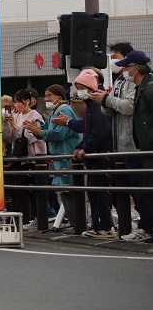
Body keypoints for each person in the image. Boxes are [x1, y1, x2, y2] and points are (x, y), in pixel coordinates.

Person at [94, 43, 153, 241]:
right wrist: (104, 101)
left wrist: (107, 100)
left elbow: (128, 107)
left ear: (134, 65)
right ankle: (140, 226)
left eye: (117, 57)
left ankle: (147, 227)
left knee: (141, 188)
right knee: (131, 189)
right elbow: (113, 108)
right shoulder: (120, 80)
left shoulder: (142, 85)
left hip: (135, 144)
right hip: (122, 142)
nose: (114, 61)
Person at [53, 69, 116, 238]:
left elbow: (100, 132)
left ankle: (105, 227)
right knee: (95, 193)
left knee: (99, 193)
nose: (79, 91)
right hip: (95, 154)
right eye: (77, 87)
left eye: (82, 86)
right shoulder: (90, 105)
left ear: (91, 87)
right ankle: (99, 226)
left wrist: (85, 148)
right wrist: (80, 146)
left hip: (101, 155)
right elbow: (88, 129)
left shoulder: (98, 104)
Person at [24, 84, 81, 227]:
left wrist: (39, 132)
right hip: (60, 157)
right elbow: (45, 129)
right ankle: (75, 224)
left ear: (59, 97)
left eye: (50, 95)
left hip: (67, 155)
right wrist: (36, 129)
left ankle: (78, 224)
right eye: (46, 95)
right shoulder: (54, 112)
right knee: (64, 191)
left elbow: (59, 134)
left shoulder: (65, 110)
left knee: (69, 191)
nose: (47, 98)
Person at [114, 49, 153, 244]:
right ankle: (148, 227)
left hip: (146, 149)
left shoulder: (149, 88)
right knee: (143, 190)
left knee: (145, 190)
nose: (123, 71)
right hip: (142, 147)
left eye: (126, 67)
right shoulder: (141, 88)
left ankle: (148, 227)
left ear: (136, 69)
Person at [2, 89, 47, 227]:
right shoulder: (16, 116)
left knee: (33, 190)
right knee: (20, 190)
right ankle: (25, 219)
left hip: (33, 158)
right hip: (19, 157)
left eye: (18, 102)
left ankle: (36, 218)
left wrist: (15, 127)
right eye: (14, 102)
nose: (16, 105)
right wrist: (6, 124)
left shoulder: (35, 116)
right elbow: (10, 137)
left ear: (27, 101)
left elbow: (32, 137)